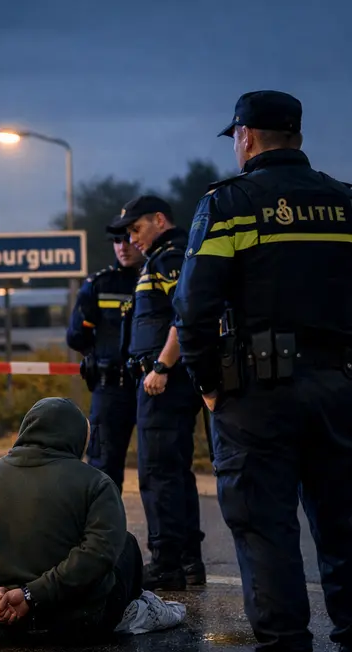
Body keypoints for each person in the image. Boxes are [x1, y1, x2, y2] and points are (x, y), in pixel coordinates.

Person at [173, 90, 352, 652]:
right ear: (297, 136)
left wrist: (208, 383)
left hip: (255, 395)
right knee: (349, 531)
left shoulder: (229, 205)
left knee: (265, 532)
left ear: (245, 136)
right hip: (337, 389)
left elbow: (194, 306)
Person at [0, 397, 185, 645]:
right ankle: (139, 609)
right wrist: (31, 595)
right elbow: (98, 552)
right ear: (75, 437)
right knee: (126, 544)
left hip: (4, 622)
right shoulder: (96, 484)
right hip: (79, 623)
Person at [107, 195, 206, 591]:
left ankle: (167, 565)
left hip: (163, 382)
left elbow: (187, 314)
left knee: (158, 473)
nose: (132, 239)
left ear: (159, 220)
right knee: (175, 472)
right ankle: (188, 561)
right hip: (165, 381)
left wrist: (162, 366)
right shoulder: (164, 257)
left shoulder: (170, 257)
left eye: (136, 229)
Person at [66, 225, 146, 493]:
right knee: (103, 468)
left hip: (150, 385)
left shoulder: (157, 277)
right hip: (110, 387)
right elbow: (76, 336)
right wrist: (98, 352)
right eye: (116, 241)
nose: (123, 247)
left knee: (157, 465)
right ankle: (104, 520)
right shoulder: (99, 284)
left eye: (128, 240)